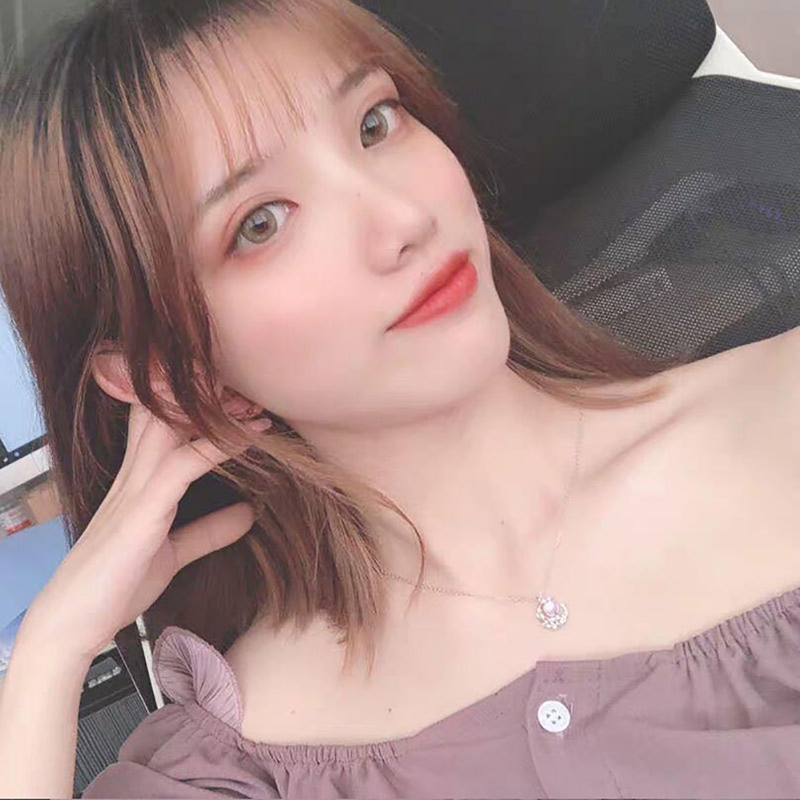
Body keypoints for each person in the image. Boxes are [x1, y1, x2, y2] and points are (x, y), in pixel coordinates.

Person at [0, 0, 798, 797]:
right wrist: (50, 653)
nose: (404, 217)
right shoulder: (242, 767)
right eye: (261, 223)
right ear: (169, 375)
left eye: (375, 124)